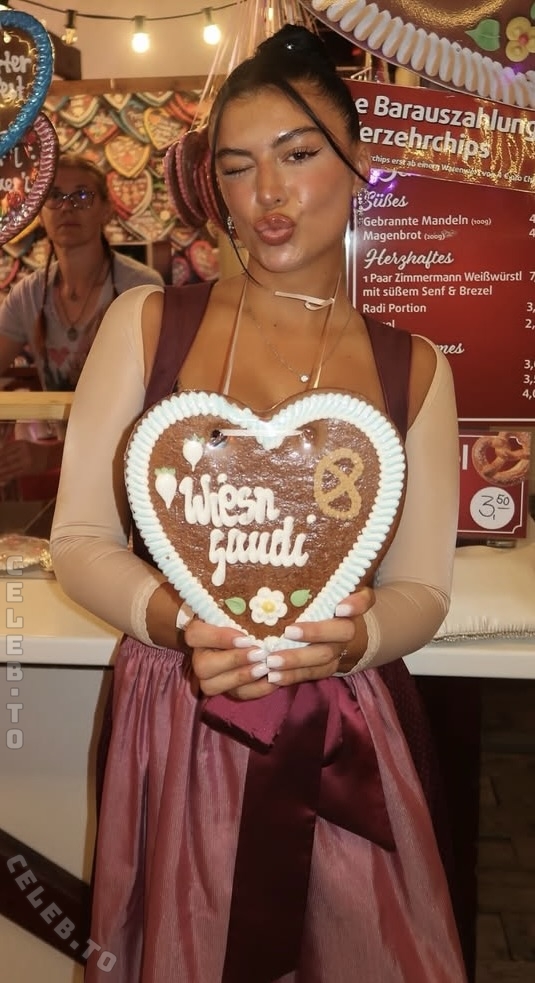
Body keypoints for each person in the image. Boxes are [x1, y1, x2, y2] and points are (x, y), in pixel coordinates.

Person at [50, 25, 466, 983]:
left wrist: (353, 640)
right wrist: (179, 621)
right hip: (179, 705)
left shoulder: (414, 369)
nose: (266, 194)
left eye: (298, 155)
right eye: (237, 168)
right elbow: (79, 537)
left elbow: (423, 588)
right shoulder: (148, 323)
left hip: (341, 722)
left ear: (357, 161)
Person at [0, 152, 163, 489]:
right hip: (71, 473)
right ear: (40, 212)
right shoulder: (28, 294)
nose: (67, 207)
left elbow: (152, 405)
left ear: (106, 210)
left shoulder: (141, 288)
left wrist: (52, 456)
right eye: (55, 196)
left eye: (83, 195)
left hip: (131, 470)